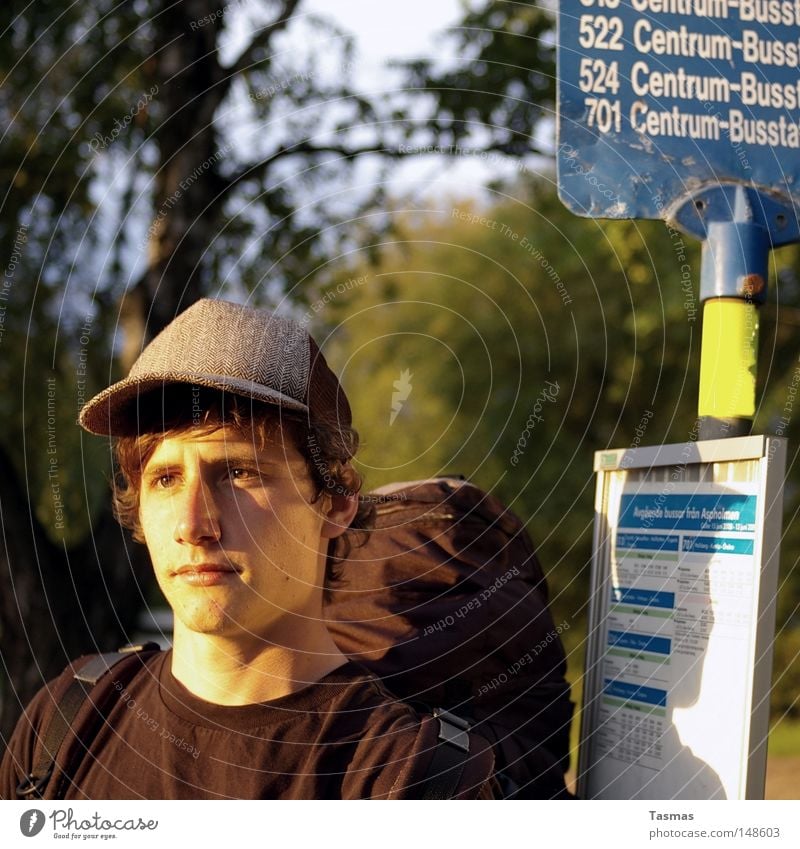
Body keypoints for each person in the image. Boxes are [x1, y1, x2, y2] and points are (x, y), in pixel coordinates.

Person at [0, 298, 495, 799]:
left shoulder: (408, 777)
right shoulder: (65, 721)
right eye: (166, 479)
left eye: (239, 473)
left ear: (336, 500)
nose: (194, 524)